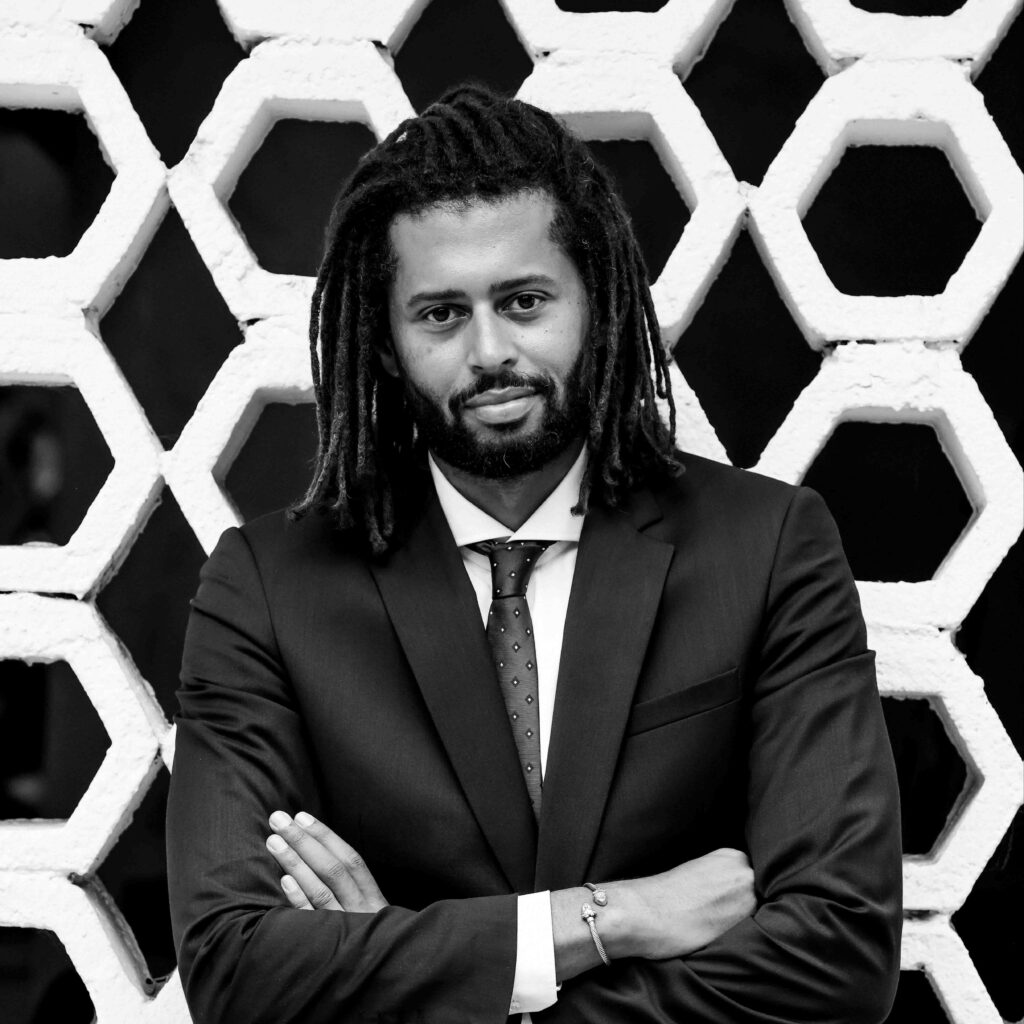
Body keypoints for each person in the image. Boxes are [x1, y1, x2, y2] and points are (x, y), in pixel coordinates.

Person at [166, 85, 902, 1024]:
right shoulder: (269, 588)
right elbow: (235, 970)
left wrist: (420, 978)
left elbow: (840, 955)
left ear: (596, 299)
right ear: (385, 344)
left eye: (523, 302)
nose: (489, 352)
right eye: (440, 314)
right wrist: (607, 920)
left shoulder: (766, 548)